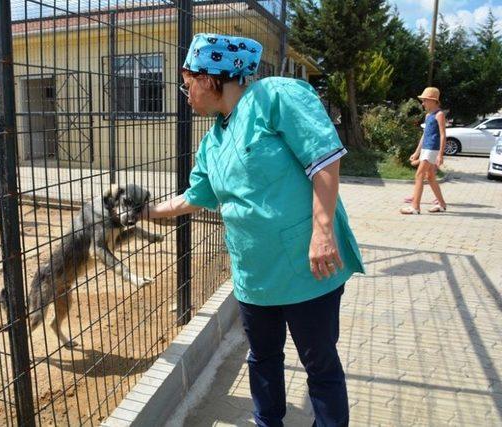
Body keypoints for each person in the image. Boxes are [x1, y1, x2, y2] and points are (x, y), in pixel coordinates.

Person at [142, 33, 364, 427]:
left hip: (307, 268)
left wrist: (323, 230)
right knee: (262, 359)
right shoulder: (213, 141)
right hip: (254, 277)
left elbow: (323, 159)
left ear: (211, 78)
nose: (185, 92)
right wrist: (144, 212)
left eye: (187, 82)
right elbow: (195, 197)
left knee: (320, 365)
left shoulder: (275, 97)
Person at [400, 87, 447, 214]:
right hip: (426, 149)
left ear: (433, 101)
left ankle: (415, 207)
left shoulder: (439, 114)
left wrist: (440, 155)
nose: (423, 103)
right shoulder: (428, 116)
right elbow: (424, 135)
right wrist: (416, 152)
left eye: (425, 100)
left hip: (433, 149)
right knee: (430, 177)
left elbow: (443, 135)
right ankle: (442, 205)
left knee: (419, 175)